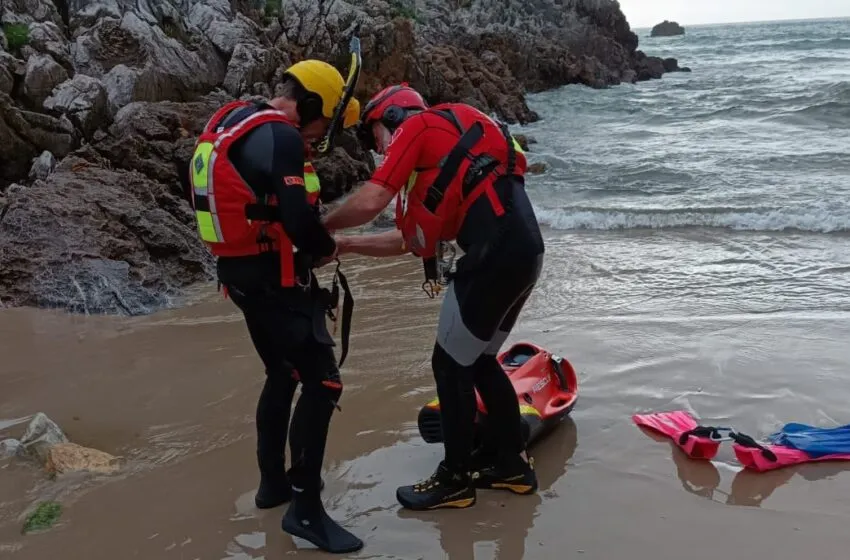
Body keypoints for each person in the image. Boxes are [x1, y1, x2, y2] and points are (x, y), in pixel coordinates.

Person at [322, 84, 546, 511]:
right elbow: (409, 241)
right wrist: (345, 246)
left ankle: (455, 479)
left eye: (375, 136)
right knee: (478, 361)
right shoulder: (455, 142)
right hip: (526, 254)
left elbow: (372, 199)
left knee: (449, 366)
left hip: (493, 258)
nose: (378, 148)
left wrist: (322, 227)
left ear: (392, 119)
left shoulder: (416, 127)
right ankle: (510, 465)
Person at [187, 59, 363, 554]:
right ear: (310, 105)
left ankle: (273, 486)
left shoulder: (231, 120)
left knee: (282, 374)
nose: (323, 133)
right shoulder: (282, 137)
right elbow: (297, 223)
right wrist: (326, 247)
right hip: (274, 283)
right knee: (323, 382)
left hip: (240, 279)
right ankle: (305, 511)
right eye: (326, 122)